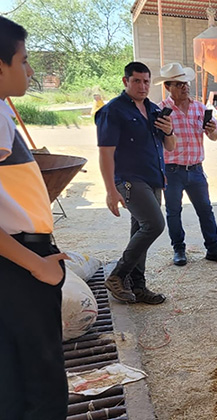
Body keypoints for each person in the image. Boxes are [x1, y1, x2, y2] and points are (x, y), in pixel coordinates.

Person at [0, 16, 69, 419]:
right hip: (19, 260)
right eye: (23, 60)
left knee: (13, 375)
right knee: (41, 377)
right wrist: (37, 266)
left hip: (19, 257)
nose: (29, 70)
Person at [96, 61, 176, 304]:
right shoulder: (113, 111)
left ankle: (138, 287)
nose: (143, 86)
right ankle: (117, 276)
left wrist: (170, 131)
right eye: (137, 81)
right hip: (129, 180)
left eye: (146, 81)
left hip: (154, 178)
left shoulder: (153, 110)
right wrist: (111, 190)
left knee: (140, 231)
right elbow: (105, 153)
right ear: (125, 81)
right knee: (154, 224)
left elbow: (170, 147)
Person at [154, 62, 217, 266]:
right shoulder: (161, 111)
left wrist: (210, 129)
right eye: (179, 84)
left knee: (205, 210)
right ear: (168, 87)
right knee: (173, 212)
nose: (184, 87)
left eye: (186, 83)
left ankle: (214, 249)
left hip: (196, 169)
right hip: (172, 170)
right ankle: (179, 250)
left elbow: (214, 136)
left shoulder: (200, 108)